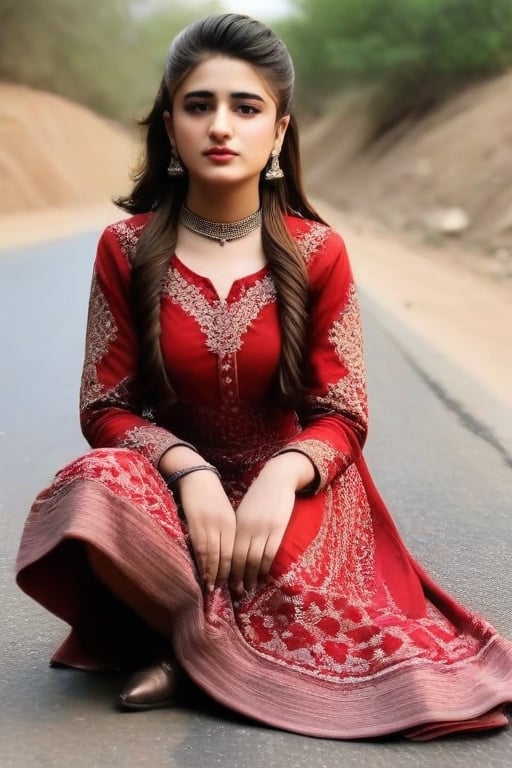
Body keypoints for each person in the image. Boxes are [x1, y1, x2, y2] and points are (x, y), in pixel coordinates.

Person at [15, 12, 512, 740]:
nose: (221, 126)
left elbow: (342, 411)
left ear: (278, 132)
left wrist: (281, 478)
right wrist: (186, 472)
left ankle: (180, 642)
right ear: (170, 125)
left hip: (295, 497)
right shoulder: (125, 248)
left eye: (245, 108)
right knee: (91, 489)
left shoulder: (318, 253)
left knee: (293, 576)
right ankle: (215, 639)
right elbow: (107, 407)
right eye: (199, 105)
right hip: (175, 494)